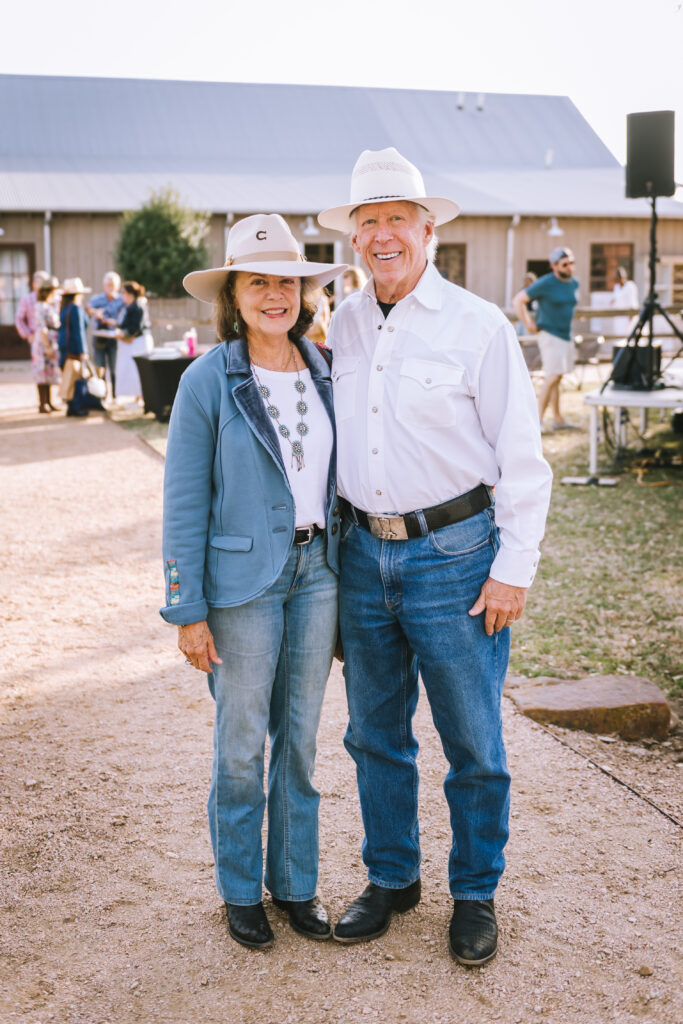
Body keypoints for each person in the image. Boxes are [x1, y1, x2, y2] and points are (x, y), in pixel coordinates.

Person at [317, 147, 552, 965]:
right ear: (354, 238)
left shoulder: (477, 325)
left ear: (426, 228)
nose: (382, 235)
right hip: (360, 554)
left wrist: (511, 569)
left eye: (395, 219)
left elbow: (523, 459)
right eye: (367, 222)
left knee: (472, 740)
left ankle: (475, 891)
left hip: (455, 555)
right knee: (374, 734)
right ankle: (392, 878)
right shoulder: (341, 323)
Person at [160, 214, 346, 950]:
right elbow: (181, 499)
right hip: (239, 585)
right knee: (241, 743)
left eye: (287, 282)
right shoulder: (207, 378)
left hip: (319, 576)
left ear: (303, 292)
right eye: (259, 281)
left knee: (298, 741)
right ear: (233, 295)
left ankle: (294, 886)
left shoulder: (328, 367)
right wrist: (186, 606)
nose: (276, 295)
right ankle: (240, 890)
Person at [513, 248, 580, 431]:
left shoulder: (574, 284)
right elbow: (519, 300)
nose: (569, 267)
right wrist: (528, 325)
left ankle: (557, 420)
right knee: (552, 376)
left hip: (565, 334)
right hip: (549, 334)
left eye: (571, 263)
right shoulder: (546, 283)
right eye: (565, 264)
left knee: (558, 377)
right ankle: (536, 422)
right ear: (554, 266)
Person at [114, 281, 153, 406]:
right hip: (129, 345)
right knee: (129, 372)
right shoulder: (127, 307)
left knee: (136, 371)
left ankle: (140, 398)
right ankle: (136, 398)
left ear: (131, 294)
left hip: (138, 344)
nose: (122, 296)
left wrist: (122, 334)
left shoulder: (138, 307)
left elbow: (134, 328)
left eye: (124, 293)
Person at [58, 277, 91, 418]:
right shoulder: (76, 309)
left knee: (69, 376)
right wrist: (83, 350)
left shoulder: (64, 308)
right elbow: (79, 331)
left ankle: (71, 406)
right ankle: (76, 406)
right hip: (74, 348)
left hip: (65, 348)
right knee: (76, 377)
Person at [88, 272, 124, 399]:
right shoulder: (96, 299)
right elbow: (89, 310)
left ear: (118, 286)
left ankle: (115, 395)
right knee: (100, 366)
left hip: (115, 338)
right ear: (104, 285)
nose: (111, 287)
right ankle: (102, 395)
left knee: (114, 368)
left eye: (113, 285)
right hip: (99, 337)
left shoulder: (122, 300)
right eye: (108, 284)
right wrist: (96, 313)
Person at [30, 276, 61, 413]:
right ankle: (42, 404)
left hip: (50, 341)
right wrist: (47, 346)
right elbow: (42, 328)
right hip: (43, 344)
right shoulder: (40, 306)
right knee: (42, 372)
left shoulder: (49, 305)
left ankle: (48, 401)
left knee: (48, 373)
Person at [15, 270, 50, 345]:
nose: (42, 285)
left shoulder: (54, 298)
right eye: (39, 282)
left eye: (44, 282)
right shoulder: (27, 300)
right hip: (36, 338)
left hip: (51, 338)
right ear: (34, 284)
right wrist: (28, 335)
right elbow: (19, 319)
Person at [611, 266, 639, 341]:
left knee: (629, 339)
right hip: (619, 319)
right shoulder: (616, 287)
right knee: (619, 339)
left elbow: (632, 304)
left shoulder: (630, 286)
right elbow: (614, 299)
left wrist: (630, 320)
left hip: (628, 319)